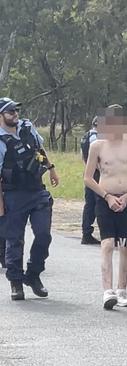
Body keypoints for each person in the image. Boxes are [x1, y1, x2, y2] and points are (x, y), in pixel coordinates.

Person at [83, 105, 127, 310]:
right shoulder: (97, 146)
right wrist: (107, 196)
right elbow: (88, 178)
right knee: (108, 243)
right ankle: (107, 290)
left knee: (125, 244)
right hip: (105, 198)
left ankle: (122, 290)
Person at [0, 97, 58, 301]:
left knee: (44, 235)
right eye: (10, 112)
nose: (15, 114)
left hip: (36, 191)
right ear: (1, 116)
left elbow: (39, 150)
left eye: (16, 110)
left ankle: (33, 275)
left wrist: (51, 169)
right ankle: (16, 282)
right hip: (13, 194)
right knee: (14, 240)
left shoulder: (27, 127)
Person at [80, 117, 101, 245]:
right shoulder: (95, 138)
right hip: (97, 174)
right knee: (98, 203)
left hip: (89, 172)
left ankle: (86, 233)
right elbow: (97, 158)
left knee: (90, 204)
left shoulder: (85, 136)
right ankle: (92, 233)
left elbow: (83, 156)